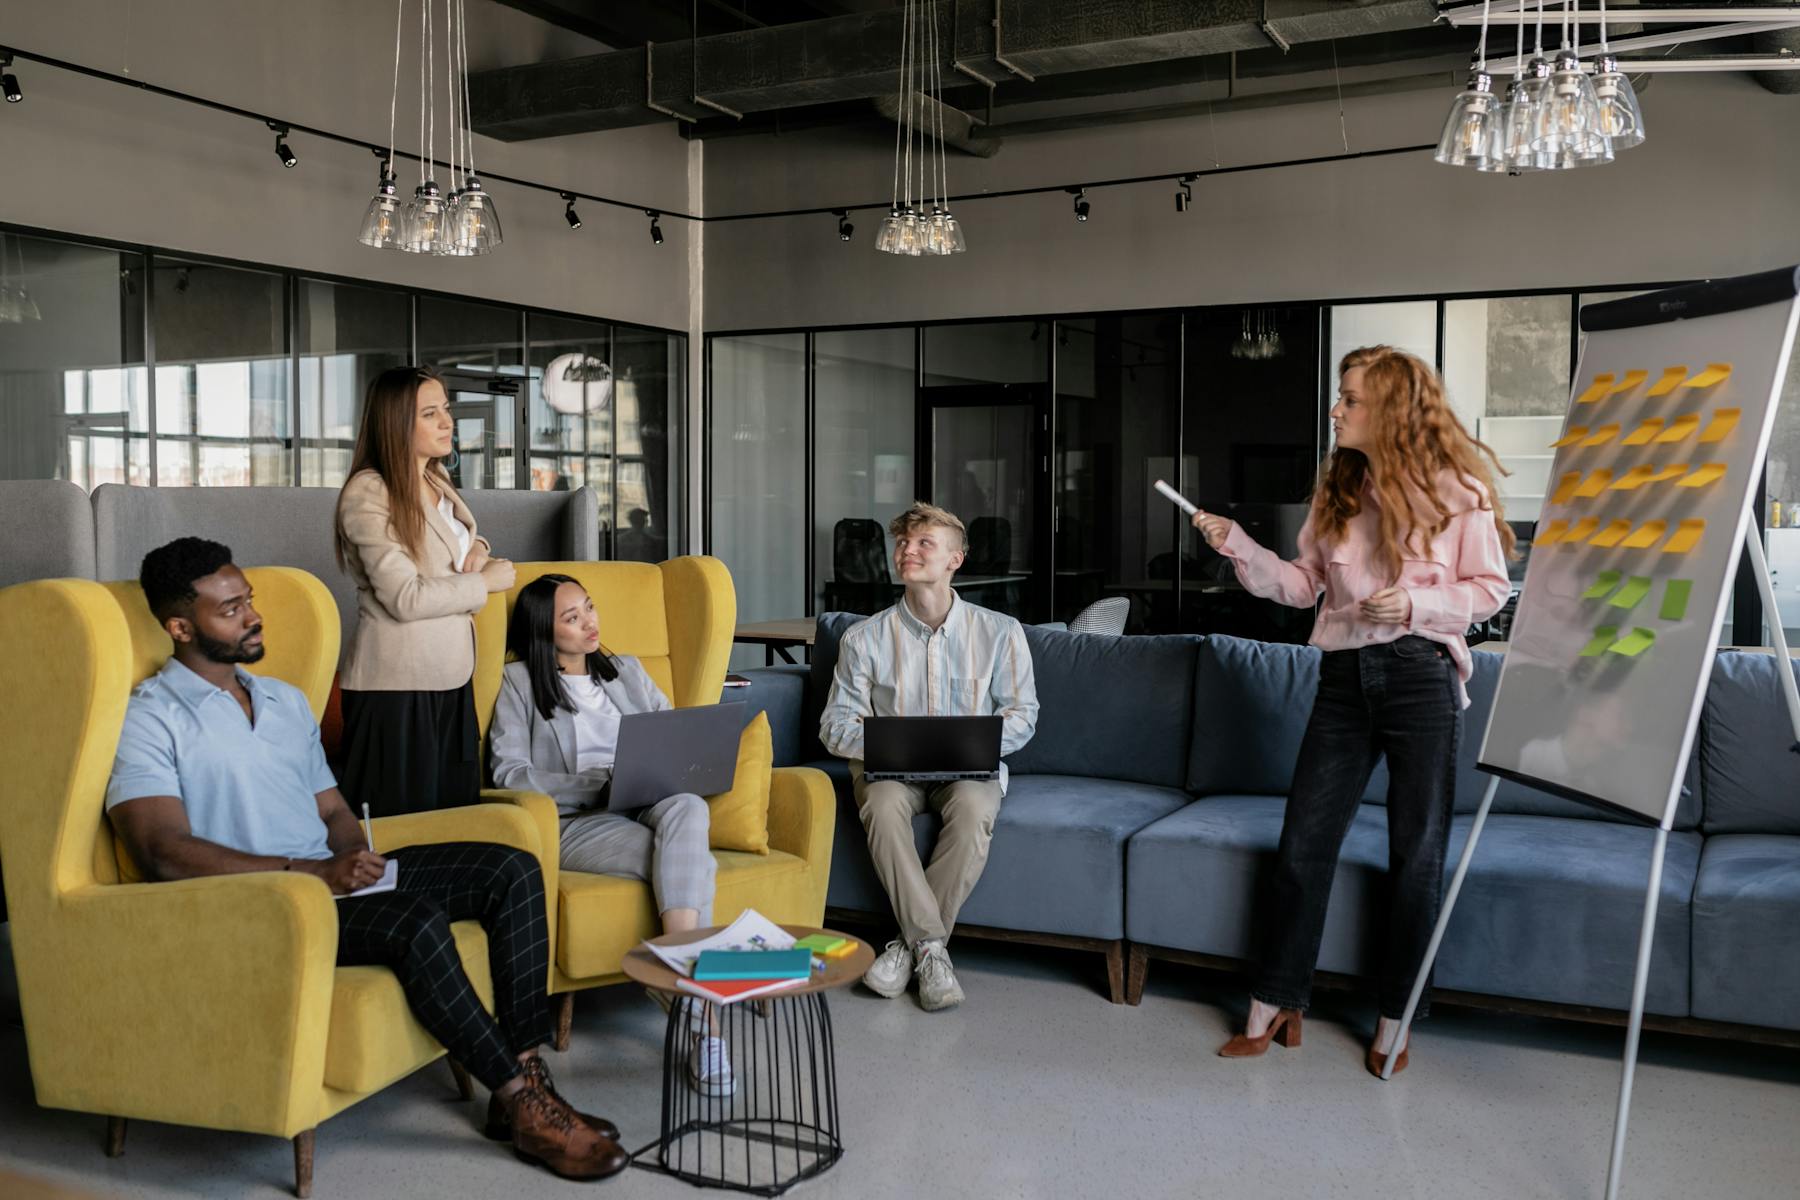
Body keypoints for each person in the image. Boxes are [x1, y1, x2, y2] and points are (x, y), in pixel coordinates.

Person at [104, 538, 627, 1180]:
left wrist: (353, 853)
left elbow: (332, 809)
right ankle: (526, 1104)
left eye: (249, 600)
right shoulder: (150, 718)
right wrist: (314, 874)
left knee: (510, 867)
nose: (252, 616)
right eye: (230, 608)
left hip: (329, 878)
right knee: (413, 919)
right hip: (258, 903)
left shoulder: (281, 702)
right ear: (180, 627)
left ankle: (523, 1077)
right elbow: (163, 852)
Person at [1193, 345, 1512, 1078]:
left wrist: (1420, 604)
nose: (1336, 410)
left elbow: (1492, 588)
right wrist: (1237, 546)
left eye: (1350, 400)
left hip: (1421, 677)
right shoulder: (1337, 490)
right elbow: (1304, 588)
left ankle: (1396, 1018)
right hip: (1341, 679)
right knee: (1303, 842)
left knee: (1416, 856)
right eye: (1339, 398)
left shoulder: (1456, 491)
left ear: (1393, 410)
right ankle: (1275, 1003)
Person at [487, 573, 732, 1096]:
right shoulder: (518, 683)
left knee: (687, 807)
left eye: (590, 608)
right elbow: (508, 773)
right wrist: (593, 784)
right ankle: (707, 1028)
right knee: (689, 861)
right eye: (572, 617)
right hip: (579, 819)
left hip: (651, 797)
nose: (589, 623)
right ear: (542, 630)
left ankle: (673, 970)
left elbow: (672, 733)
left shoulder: (626, 671)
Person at [819, 502, 1040, 1011]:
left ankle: (908, 945)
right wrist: (889, 744)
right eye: (902, 543)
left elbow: (1022, 716)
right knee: (880, 803)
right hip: (890, 769)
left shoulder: (1000, 633)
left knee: (975, 810)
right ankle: (932, 949)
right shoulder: (863, 638)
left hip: (968, 770)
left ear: (954, 560)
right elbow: (835, 725)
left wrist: (967, 744)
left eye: (924, 543)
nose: (908, 551)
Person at [334, 365, 515, 817]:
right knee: (401, 834)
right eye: (430, 413)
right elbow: (405, 598)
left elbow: (448, 545)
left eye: (446, 410)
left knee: (453, 821)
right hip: (397, 686)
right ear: (396, 423)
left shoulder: (435, 480)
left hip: (451, 675)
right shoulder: (369, 491)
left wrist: (479, 549)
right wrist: (484, 582)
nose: (447, 422)